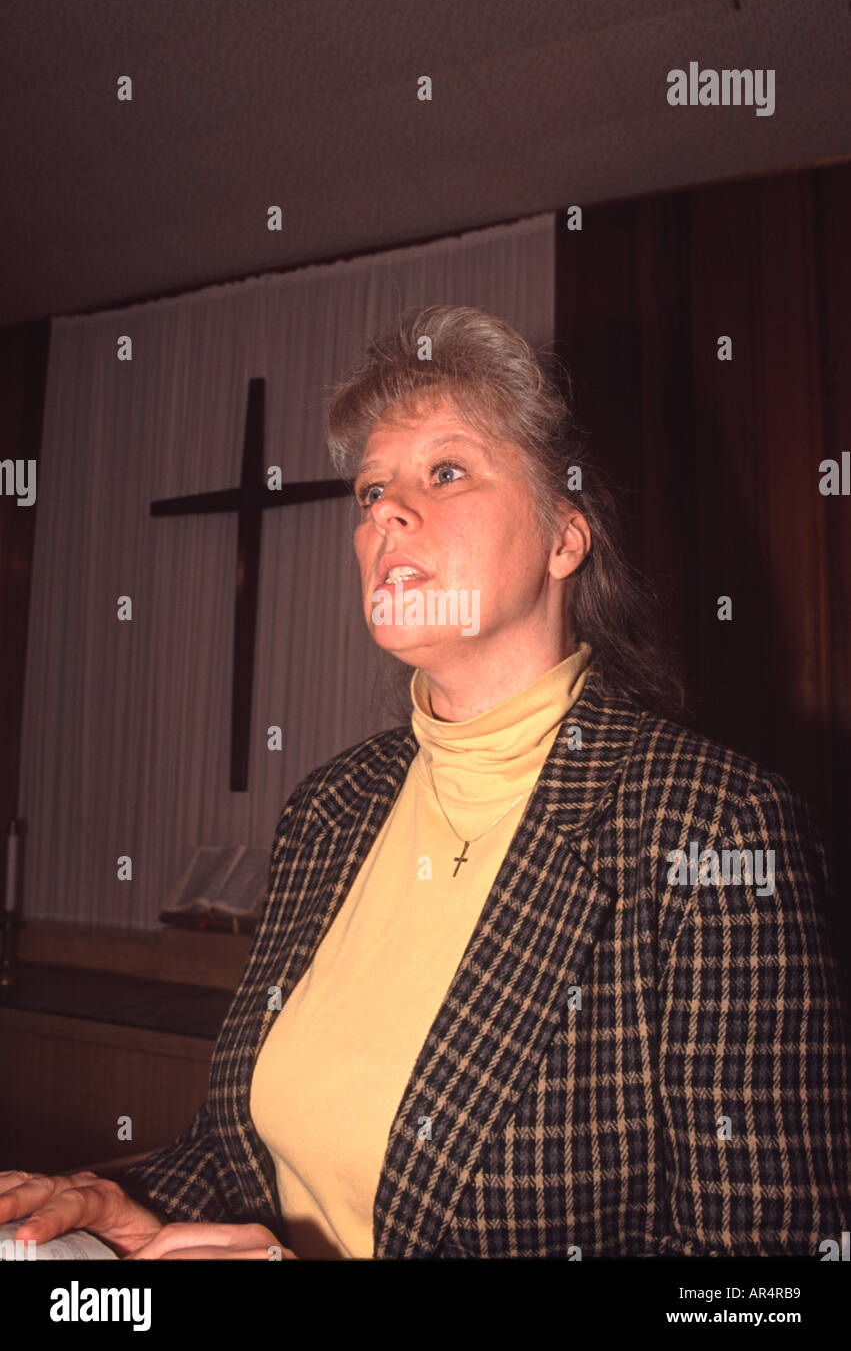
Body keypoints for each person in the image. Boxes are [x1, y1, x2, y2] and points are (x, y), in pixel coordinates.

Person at [2, 305, 848, 1259]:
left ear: (565, 539)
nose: (384, 514)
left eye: (445, 473)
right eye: (369, 492)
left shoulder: (717, 828)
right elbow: (247, 1161)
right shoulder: (330, 809)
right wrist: (108, 1204)